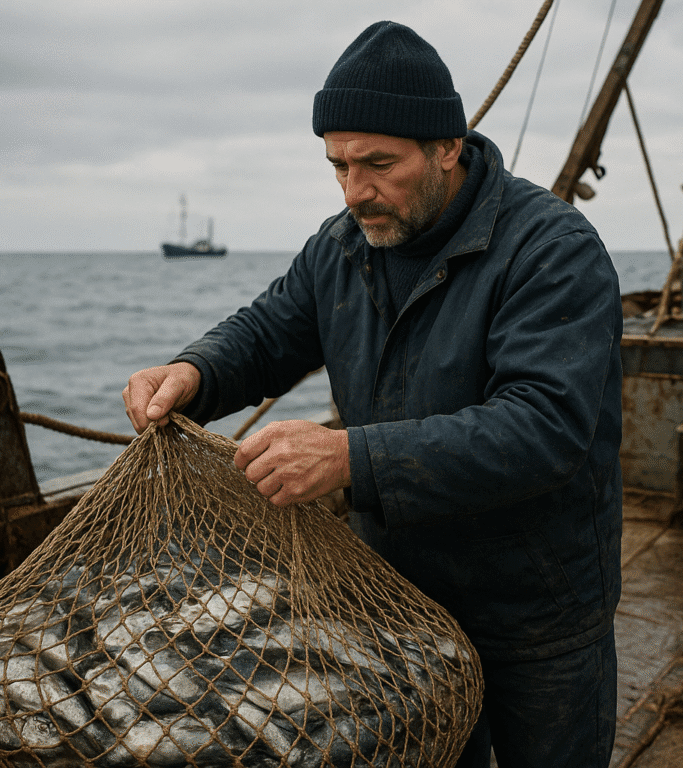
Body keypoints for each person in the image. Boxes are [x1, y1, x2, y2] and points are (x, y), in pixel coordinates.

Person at [123, 21, 622, 768]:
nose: (356, 191)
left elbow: (543, 427)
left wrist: (352, 456)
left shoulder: (553, 250)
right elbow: (266, 332)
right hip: (397, 599)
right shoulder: (342, 245)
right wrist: (193, 372)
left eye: (379, 164)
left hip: (537, 610)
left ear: (448, 146)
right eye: (339, 166)